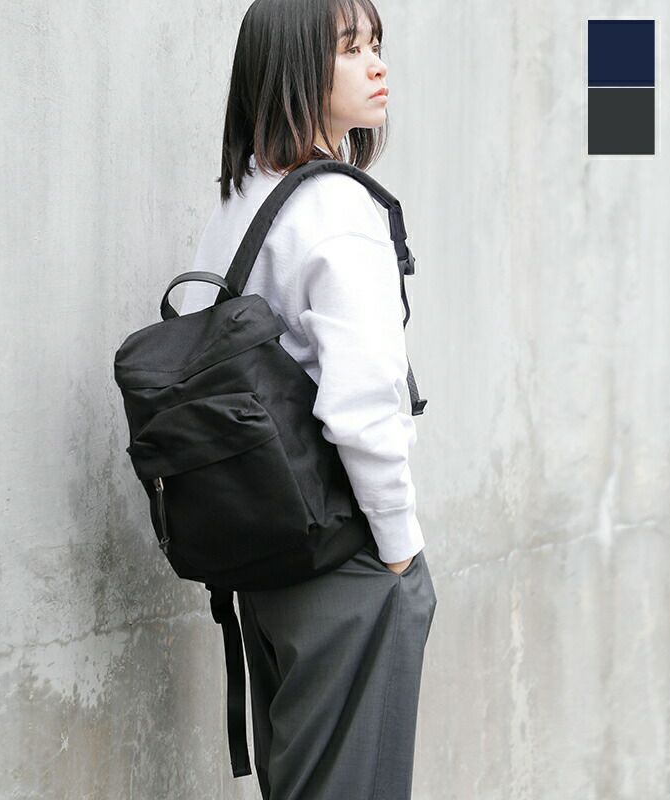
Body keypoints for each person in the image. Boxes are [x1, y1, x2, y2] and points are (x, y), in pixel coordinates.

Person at [178, 1, 437, 797]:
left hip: (266, 556)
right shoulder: (337, 209)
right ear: (294, 67)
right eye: (351, 49)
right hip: (343, 553)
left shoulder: (242, 201)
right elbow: (362, 402)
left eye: (376, 45)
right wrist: (399, 548)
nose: (377, 64)